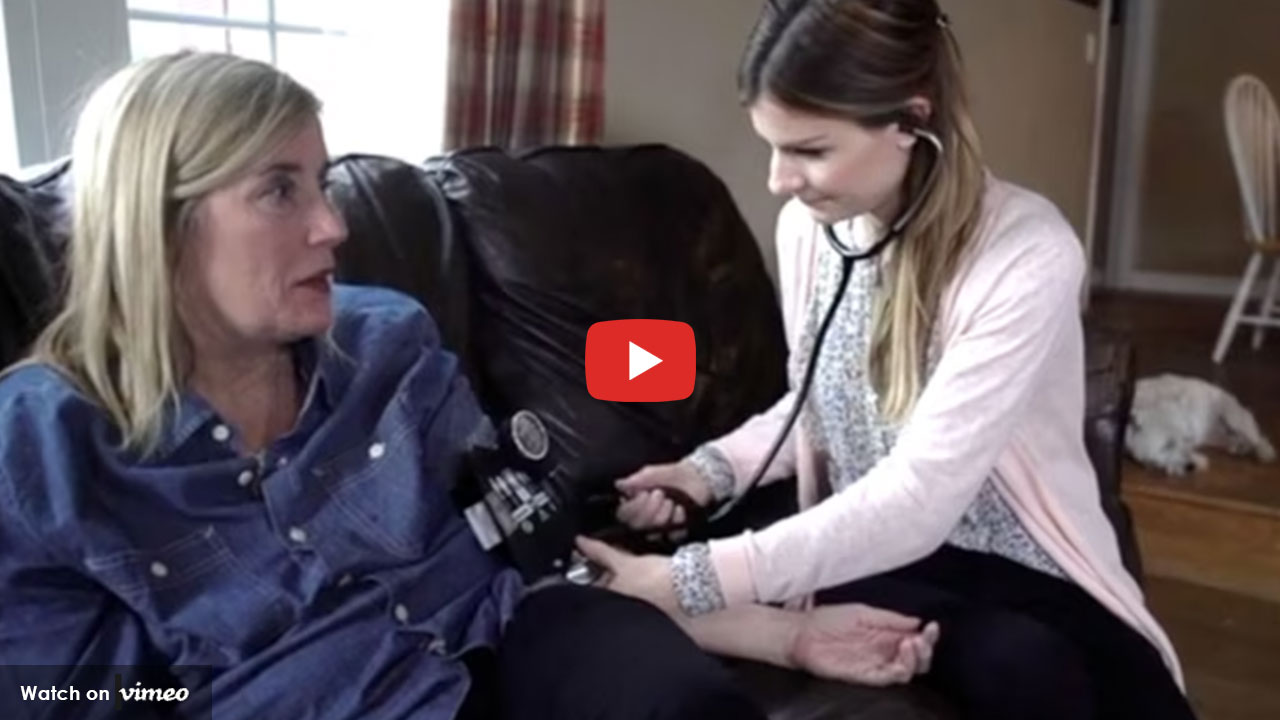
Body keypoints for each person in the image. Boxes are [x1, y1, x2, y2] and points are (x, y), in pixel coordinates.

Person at [0, 52, 938, 720]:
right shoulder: (36, 450)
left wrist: (785, 637)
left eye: (325, 184)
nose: (332, 225)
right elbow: (49, 691)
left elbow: (532, 549)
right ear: (156, 222)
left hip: (499, 643)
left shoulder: (386, 343)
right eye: (280, 191)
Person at [578, 2, 1199, 719]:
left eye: (810, 150)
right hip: (875, 544)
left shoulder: (1028, 253)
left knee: (1122, 686)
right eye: (771, 146)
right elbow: (819, 400)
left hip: (1004, 554)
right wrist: (704, 472)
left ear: (911, 121)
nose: (779, 179)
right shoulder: (809, 231)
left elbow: (919, 498)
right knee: (1020, 669)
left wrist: (687, 580)